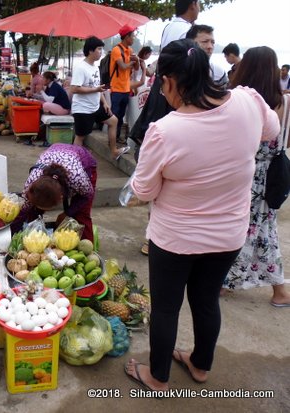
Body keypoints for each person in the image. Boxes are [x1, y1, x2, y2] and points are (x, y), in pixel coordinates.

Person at [124, 39, 280, 392]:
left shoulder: (165, 131)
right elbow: (270, 131)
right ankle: (200, 365)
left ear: (171, 81)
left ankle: (157, 377)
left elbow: (144, 191)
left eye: (161, 83)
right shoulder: (248, 101)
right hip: (227, 235)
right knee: (206, 301)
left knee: (165, 308)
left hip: (176, 238)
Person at [130, 0, 200, 256]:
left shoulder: (170, 28)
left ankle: (154, 237)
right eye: (202, 43)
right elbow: (146, 188)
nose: (208, 47)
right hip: (182, 236)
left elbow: (144, 188)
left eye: (210, 43)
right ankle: (153, 237)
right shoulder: (165, 126)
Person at [222, 46, 290, 307]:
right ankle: (277, 291)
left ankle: (224, 281)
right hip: (267, 177)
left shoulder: (234, 99)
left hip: (239, 172)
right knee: (261, 231)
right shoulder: (280, 102)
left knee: (246, 230)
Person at [11, 143, 97, 241]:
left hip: (84, 162)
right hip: (56, 152)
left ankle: (89, 248)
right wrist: (12, 235)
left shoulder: (78, 179)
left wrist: (68, 213)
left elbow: (88, 195)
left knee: (81, 215)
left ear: (61, 197)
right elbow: (22, 212)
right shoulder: (31, 183)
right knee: (32, 212)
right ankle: (34, 238)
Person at [70, 36, 129, 160]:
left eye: (102, 49)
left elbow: (98, 87)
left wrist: (105, 102)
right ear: (90, 51)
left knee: (113, 121)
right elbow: (74, 89)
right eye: (98, 49)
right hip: (83, 109)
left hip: (96, 106)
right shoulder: (81, 68)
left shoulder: (95, 67)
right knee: (80, 136)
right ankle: (74, 161)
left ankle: (114, 151)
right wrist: (95, 90)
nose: (101, 52)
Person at [109, 24, 139, 145]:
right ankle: (112, 139)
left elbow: (135, 68)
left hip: (126, 89)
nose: (134, 38)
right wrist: (133, 62)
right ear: (127, 37)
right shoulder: (117, 50)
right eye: (132, 36)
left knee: (121, 115)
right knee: (115, 115)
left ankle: (116, 137)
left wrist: (136, 60)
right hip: (116, 88)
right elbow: (123, 66)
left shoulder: (130, 51)